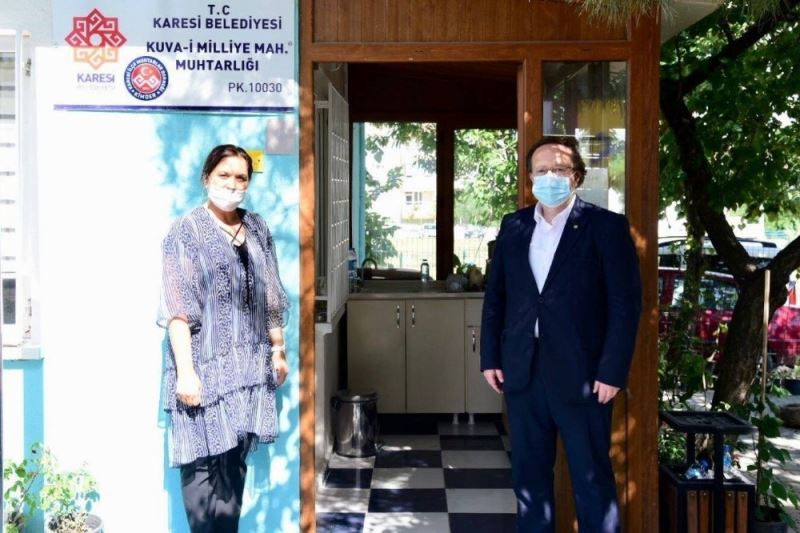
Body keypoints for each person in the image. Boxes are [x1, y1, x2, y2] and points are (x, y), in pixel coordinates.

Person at [480, 136, 642, 532]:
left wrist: (612, 371)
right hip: (523, 371)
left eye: (560, 169)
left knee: (592, 480)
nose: (550, 176)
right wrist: (490, 358)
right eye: (542, 170)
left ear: (577, 176)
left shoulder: (606, 227)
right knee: (529, 482)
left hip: (584, 376)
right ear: (530, 178)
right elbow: (497, 297)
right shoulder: (514, 226)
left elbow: (625, 305)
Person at [158, 144, 289, 533]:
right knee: (201, 481)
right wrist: (186, 374)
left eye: (241, 177)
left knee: (232, 478)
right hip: (201, 370)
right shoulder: (185, 231)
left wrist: (278, 349)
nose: (233, 184)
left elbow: (271, 296)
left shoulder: (257, 227)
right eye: (224, 175)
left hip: (247, 373)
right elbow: (177, 309)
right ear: (207, 178)